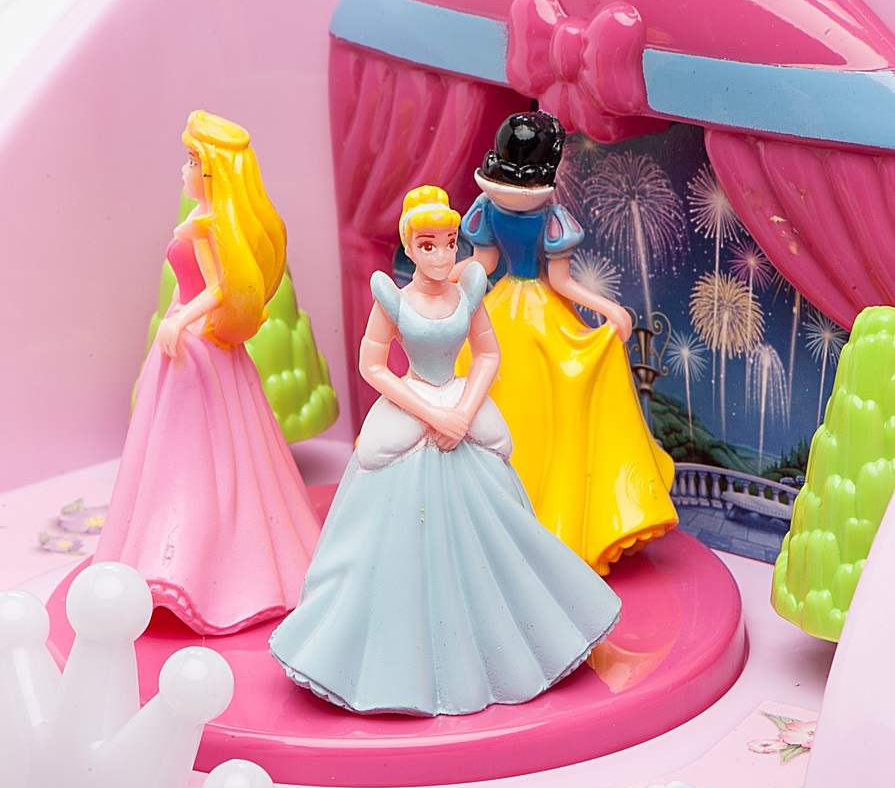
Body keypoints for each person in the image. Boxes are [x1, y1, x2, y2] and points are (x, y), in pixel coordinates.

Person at [270, 185, 621, 716]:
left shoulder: (468, 293)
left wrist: (464, 409)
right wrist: (433, 414)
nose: (441, 255)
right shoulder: (394, 300)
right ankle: (389, 662)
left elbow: (487, 355)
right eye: (429, 245)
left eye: (451, 242)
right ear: (410, 247)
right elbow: (372, 366)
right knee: (383, 542)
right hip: (415, 407)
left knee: (502, 528)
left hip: (460, 405)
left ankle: (510, 646)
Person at [95, 111, 320, 635]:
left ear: (214, 171)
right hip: (191, 341)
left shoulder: (212, 224)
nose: (184, 169)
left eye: (192, 161)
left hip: (197, 343)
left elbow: (222, 286)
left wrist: (181, 322)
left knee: (201, 453)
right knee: (180, 450)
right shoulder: (204, 216)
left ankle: (203, 566)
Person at [457, 111, 677, 575]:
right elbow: (494, 267)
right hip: (515, 312)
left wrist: (609, 310)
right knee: (504, 396)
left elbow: (517, 273)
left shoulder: (530, 216)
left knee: (548, 400)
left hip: (518, 310)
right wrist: (435, 282)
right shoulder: (502, 212)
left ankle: (540, 516)